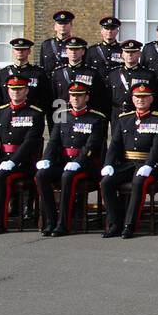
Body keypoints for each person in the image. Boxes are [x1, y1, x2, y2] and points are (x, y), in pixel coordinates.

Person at [0, 76, 45, 234]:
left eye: (19, 89)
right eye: (13, 89)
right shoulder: (0, 113)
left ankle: (0, 222)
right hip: (3, 158)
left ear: (26, 90)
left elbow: (30, 143)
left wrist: (13, 161)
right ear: (8, 90)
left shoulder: (35, 114)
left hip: (23, 162)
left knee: (1, 176)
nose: (16, 92)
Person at [37, 82, 108, 237]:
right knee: (41, 175)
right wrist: (47, 158)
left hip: (85, 165)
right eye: (73, 96)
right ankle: (51, 220)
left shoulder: (96, 119)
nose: (76, 99)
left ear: (87, 97)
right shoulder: (63, 116)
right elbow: (54, 141)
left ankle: (63, 224)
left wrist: (78, 161)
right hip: (63, 162)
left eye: (79, 96)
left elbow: (92, 146)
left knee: (68, 177)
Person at [99, 82, 158, 238]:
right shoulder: (124, 119)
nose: (141, 100)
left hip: (149, 164)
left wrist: (149, 164)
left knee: (138, 182)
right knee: (106, 182)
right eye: (137, 97)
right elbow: (115, 145)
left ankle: (129, 225)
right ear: (132, 99)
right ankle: (115, 222)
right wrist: (108, 163)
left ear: (151, 99)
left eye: (144, 97)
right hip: (127, 163)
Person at [40, 10, 76, 75]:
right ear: (55, 27)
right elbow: (42, 68)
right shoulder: (46, 45)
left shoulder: (76, 45)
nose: (63, 26)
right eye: (60, 23)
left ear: (71, 26)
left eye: (66, 23)